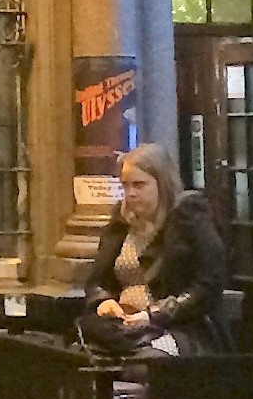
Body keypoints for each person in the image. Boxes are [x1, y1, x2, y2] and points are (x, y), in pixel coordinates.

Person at [82, 141, 233, 356]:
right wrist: (104, 300)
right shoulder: (121, 220)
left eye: (139, 185)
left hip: (179, 326)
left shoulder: (188, 215)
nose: (130, 193)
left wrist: (153, 315)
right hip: (123, 326)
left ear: (162, 184)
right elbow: (96, 280)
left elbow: (208, 285)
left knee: (146, 362)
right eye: (125, 185)